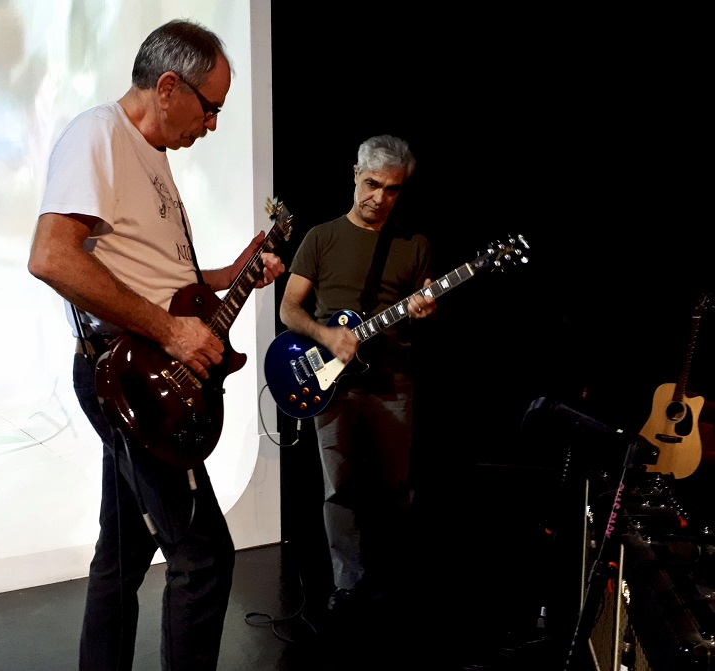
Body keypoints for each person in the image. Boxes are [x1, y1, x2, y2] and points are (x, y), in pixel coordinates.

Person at [27, 19, 284, 671]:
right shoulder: (99, 135)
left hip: (148, 372)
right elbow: (52, 256)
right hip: (132, 377)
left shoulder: (155, 161)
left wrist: (235, 273)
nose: (216, 123)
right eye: (211, 106)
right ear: (169, 87)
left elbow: (169, 283)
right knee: (203, 559)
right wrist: (170, 330)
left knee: (122, 555)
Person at [277, 134, 436, 615]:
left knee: (394, 490)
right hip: (332, 385)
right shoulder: (321, 237)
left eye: (392, 189)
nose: (379, 198)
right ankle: (348, 583)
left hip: (393, 383)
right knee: (340, 490)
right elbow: (289, 309)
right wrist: (327, 338)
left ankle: (390, 578)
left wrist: (426, 307)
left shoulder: (414, 244)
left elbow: (423, 300)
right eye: (371, 184)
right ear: (354, 173)